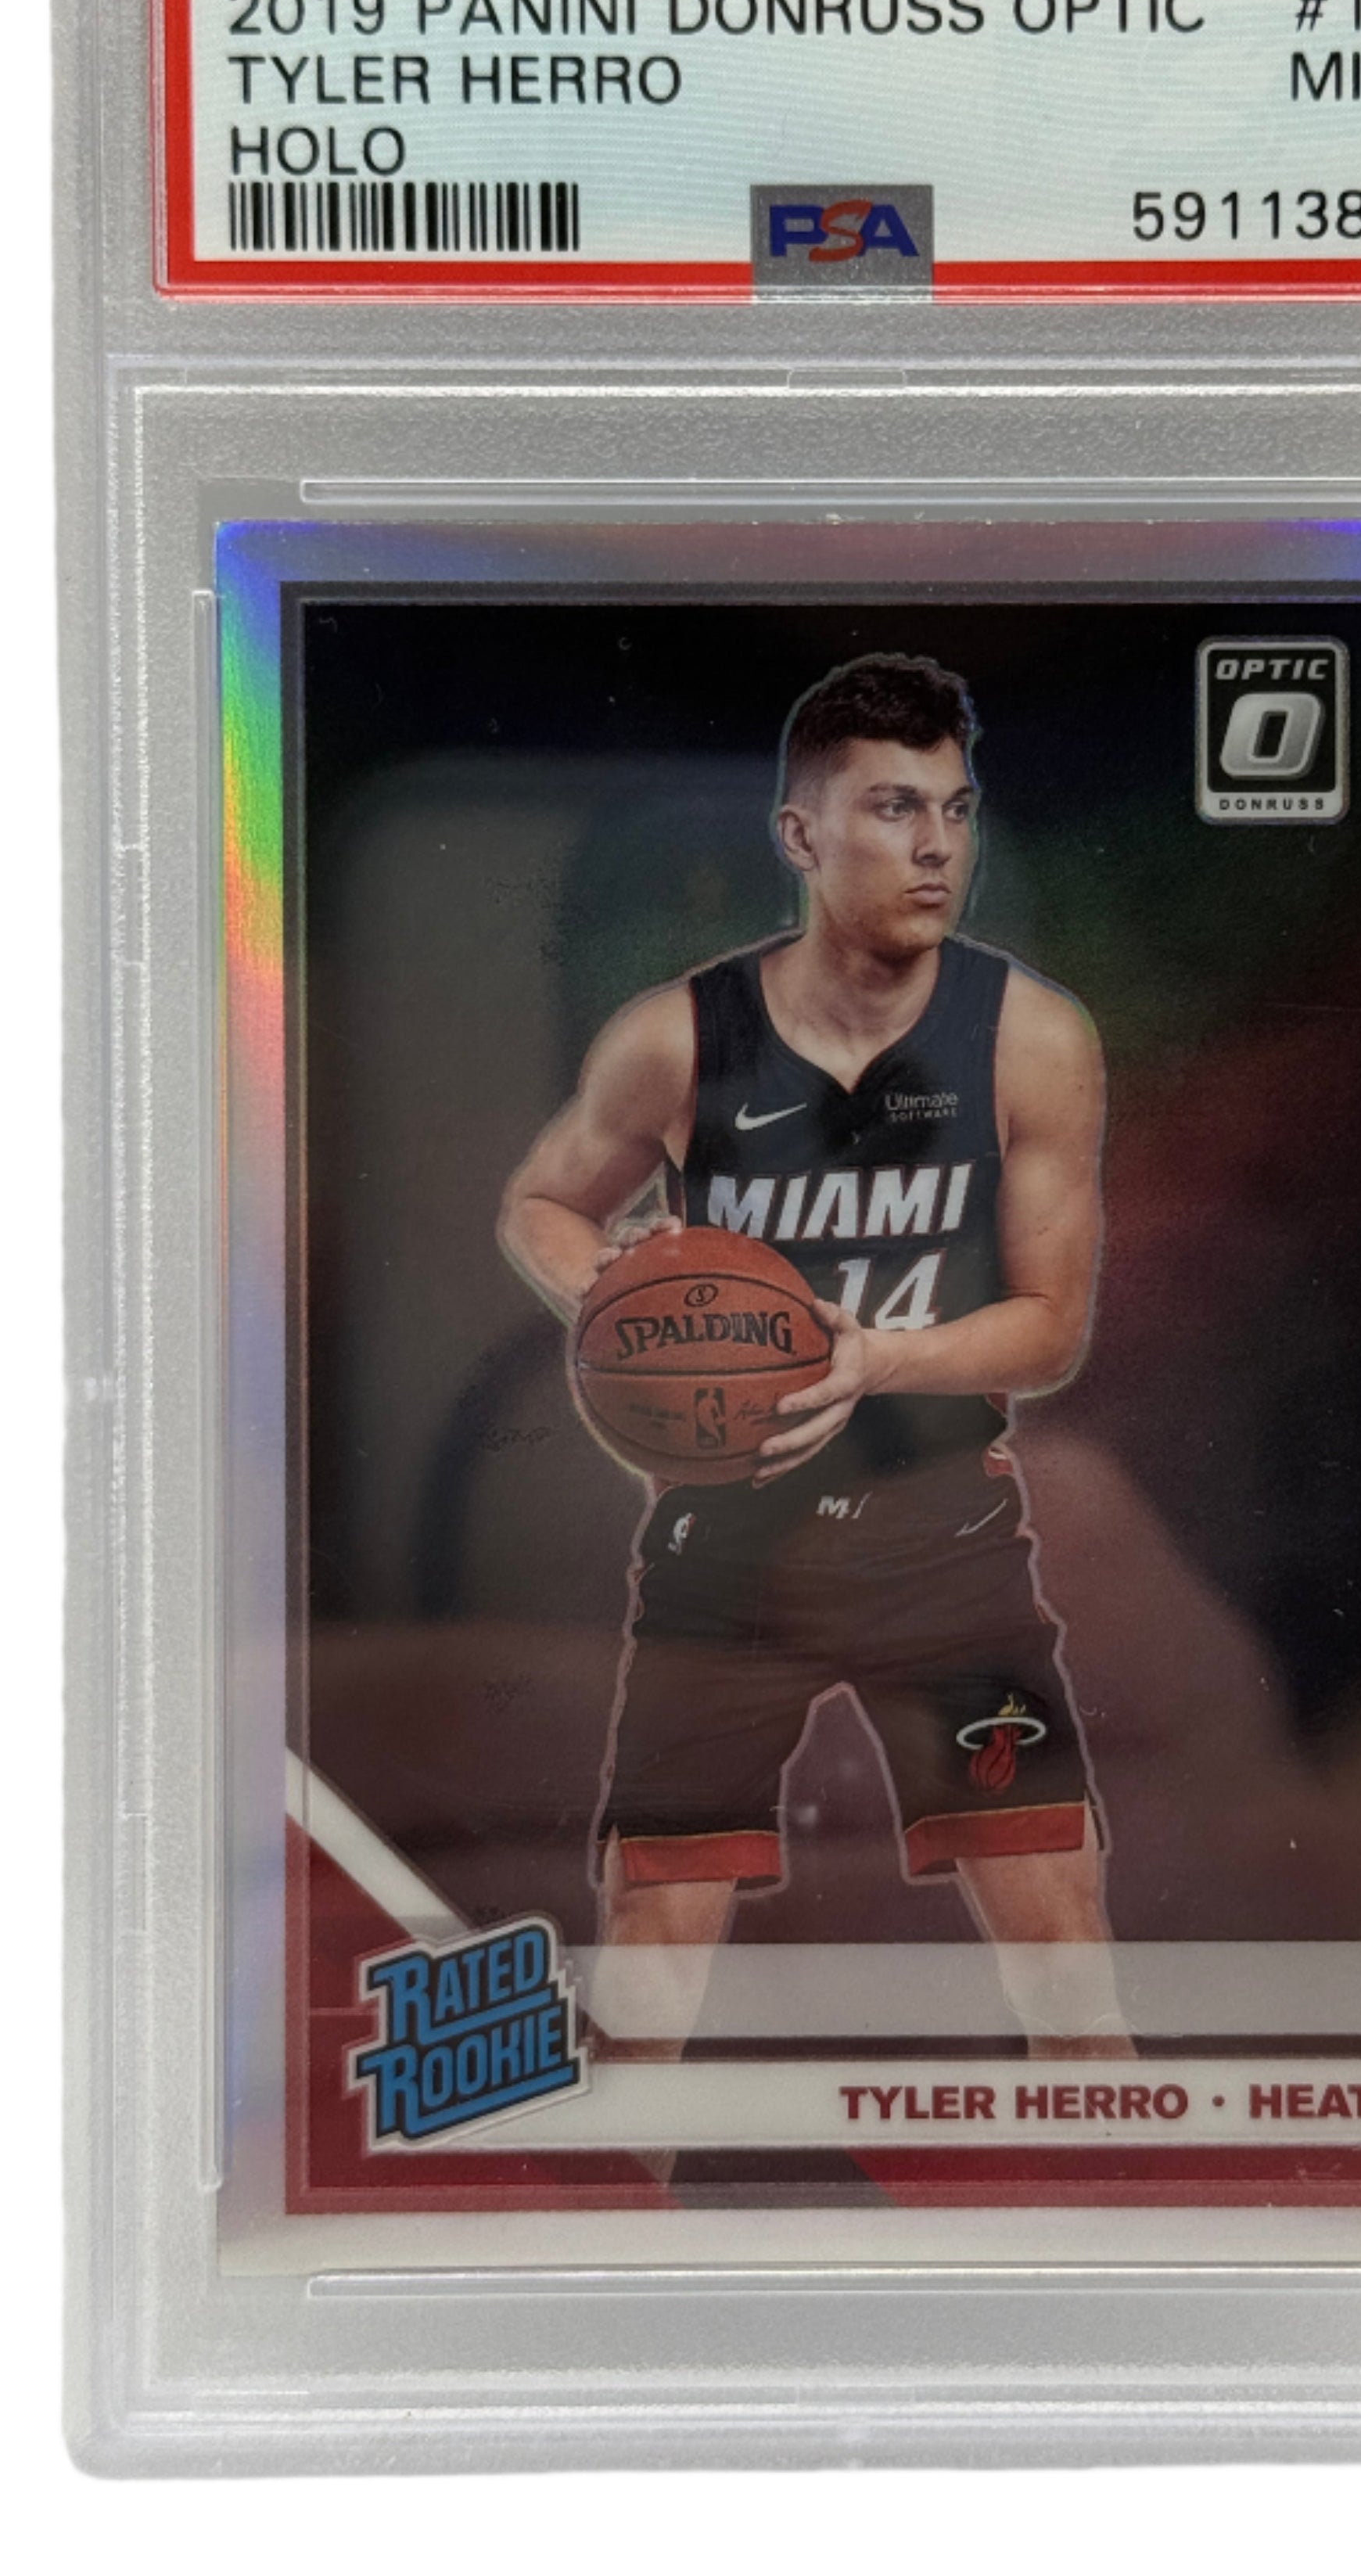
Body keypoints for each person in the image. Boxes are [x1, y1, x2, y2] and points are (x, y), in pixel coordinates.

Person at [499, 653, 1129, 2058]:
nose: (936, 846)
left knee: (1068, 1966)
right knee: (646, 1970)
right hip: (727, 1550)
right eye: (895, 808)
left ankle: (1127, 2198)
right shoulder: (678, 1036)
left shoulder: (1032, 1040)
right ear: (800, 833)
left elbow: (1051, 1326)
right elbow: (544, 1201)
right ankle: (617, 2201)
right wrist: (622, 1296)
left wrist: (873, 1362)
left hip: (942, 1540)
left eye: (956, 810)